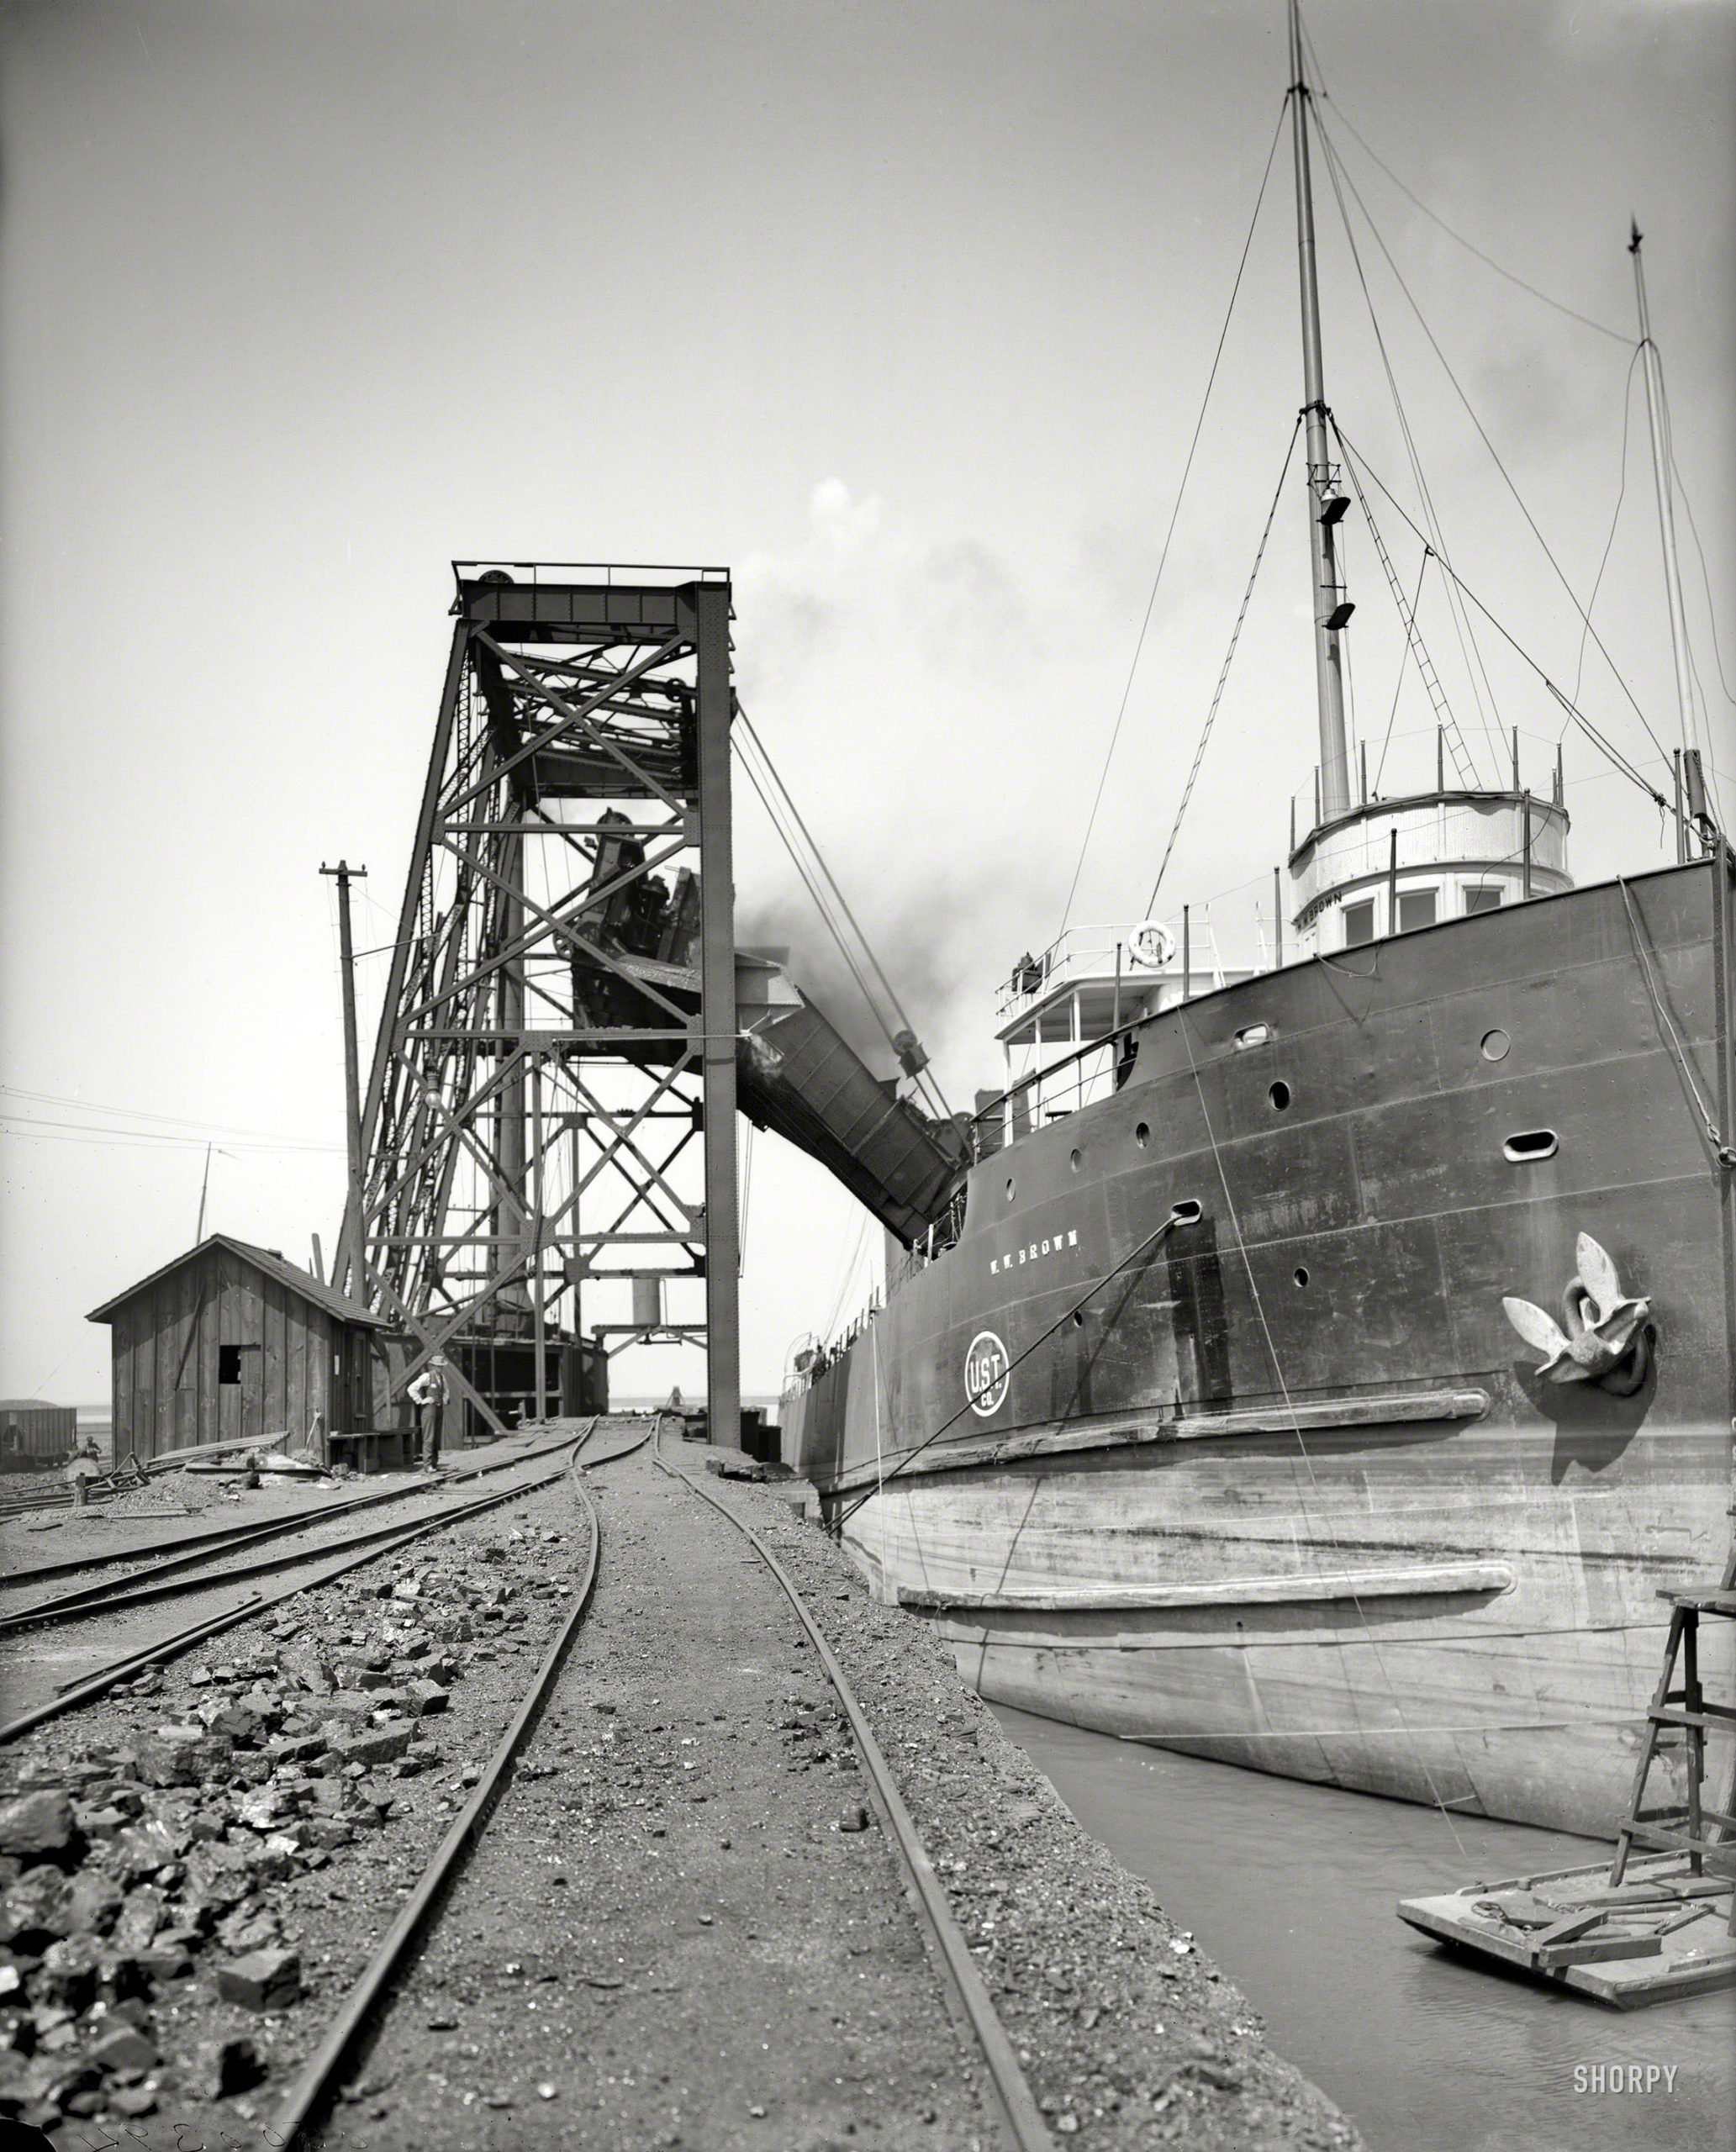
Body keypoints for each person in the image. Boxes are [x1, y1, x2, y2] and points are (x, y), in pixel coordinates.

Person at [406, 1356, 451, 1471]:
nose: (440, 1368)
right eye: (438, 1366)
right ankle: (428, 1464)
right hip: (429, 1409)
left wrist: (445, 1398)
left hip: (439, 1408)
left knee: (436, 1436)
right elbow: (412, 1388)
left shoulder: (442, 1378)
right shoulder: (426, 1376)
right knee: (429, 1437)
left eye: (441, 1366)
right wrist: (421, 1400)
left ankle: (435, 1463)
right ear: (433, 1366)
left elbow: (446, 1390)